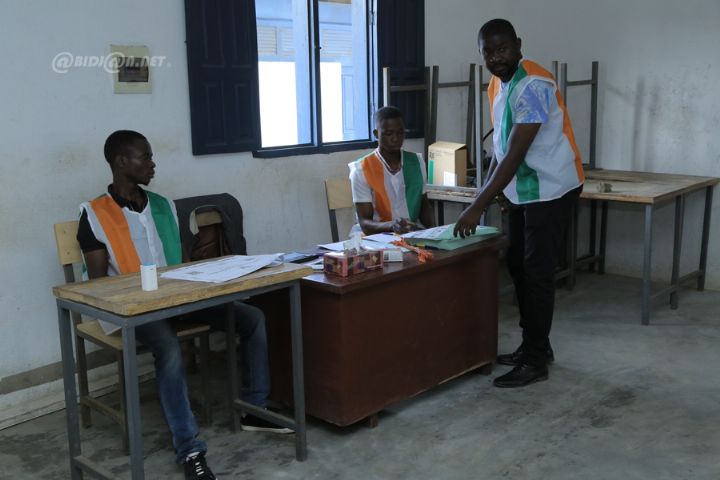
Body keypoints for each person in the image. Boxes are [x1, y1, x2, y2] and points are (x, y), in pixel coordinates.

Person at [77, 130, 290, 480]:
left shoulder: (164, 205)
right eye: (145, 157)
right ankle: (190, 449)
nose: (152, 163)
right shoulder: (94, 214)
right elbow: (98, 287)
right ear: (121, 161)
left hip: (178, 299)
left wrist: (211, 275)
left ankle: (254, 407)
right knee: (169, 348)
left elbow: (185, 263)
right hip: (132, 311)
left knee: (251, 317)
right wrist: (138, 300)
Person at [454, 19, 584, 388]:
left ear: (518, 45)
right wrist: (490, 192)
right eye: (488, 52)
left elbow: (515, 152)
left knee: (537, 272)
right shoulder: (498, 82)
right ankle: (535, 345)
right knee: (516, 263)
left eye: (503, 49)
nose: (496, 57)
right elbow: (500, 145)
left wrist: (478, 204)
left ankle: (535, 360)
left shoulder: (534, 84)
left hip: (551, 188)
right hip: (522, 190)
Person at [349, 106, 435, 235]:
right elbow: (365, 224)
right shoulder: (361, 169)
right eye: (389, 133)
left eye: (400, 133)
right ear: (376, 134)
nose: (395, 138)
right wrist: (392, 225)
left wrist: (433, 232)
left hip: (410, 232)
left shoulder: (417, 162)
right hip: (375, 236)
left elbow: (424, 205)